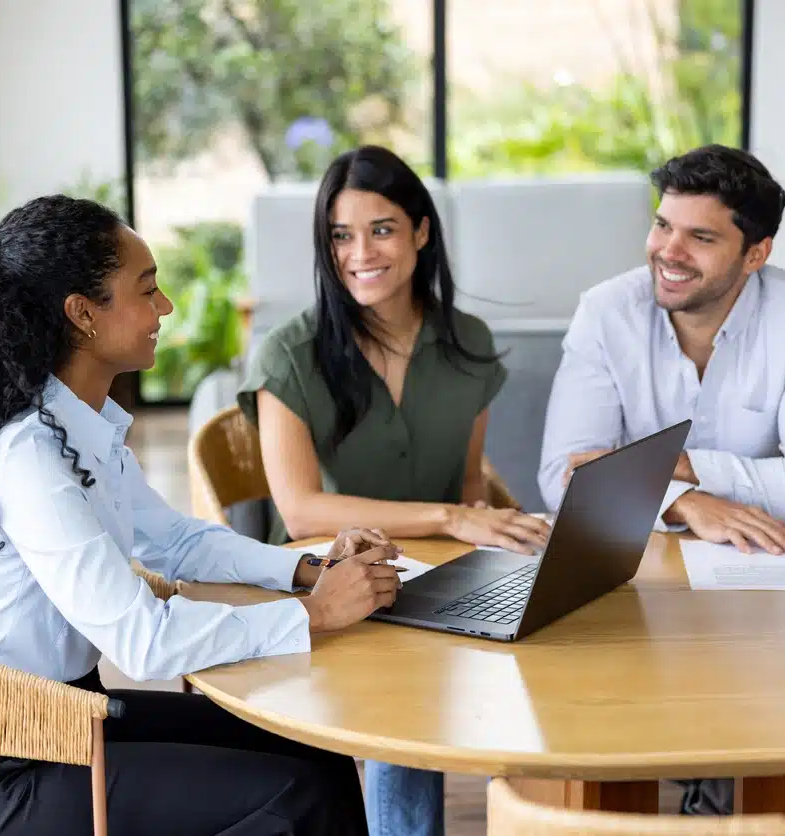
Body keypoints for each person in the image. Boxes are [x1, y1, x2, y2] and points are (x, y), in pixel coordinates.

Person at [0, 194, 403, 835]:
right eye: (147, 290)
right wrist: (317, 613)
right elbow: (142, 639)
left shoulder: (75, 427)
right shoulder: (29, 451)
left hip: (63, 716)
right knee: (294, 794)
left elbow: (177, 542)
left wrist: (308, 569)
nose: (164, 307)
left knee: (313, 745)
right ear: (82, 315)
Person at [537, 144, 785, 814]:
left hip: (769, 590)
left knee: (783, 727)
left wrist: (678, 467)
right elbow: (561, 476)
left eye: (700, 236)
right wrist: (686, 502)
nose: (668, 250)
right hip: (635, 580)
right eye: (663, 225)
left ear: (755, 253)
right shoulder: (606, 311)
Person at [238, 145, 550, 836]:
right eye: (340, 236)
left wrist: (506, 534)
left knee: (557, 647)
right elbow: (299, 511)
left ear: (420, 232)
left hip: (434, 583)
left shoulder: (465, 342)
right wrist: (453, 517)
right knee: (408, 701)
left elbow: (469, 485)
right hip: (323, 585)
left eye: (380, 229)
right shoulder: (288, 354)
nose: (359, 253)